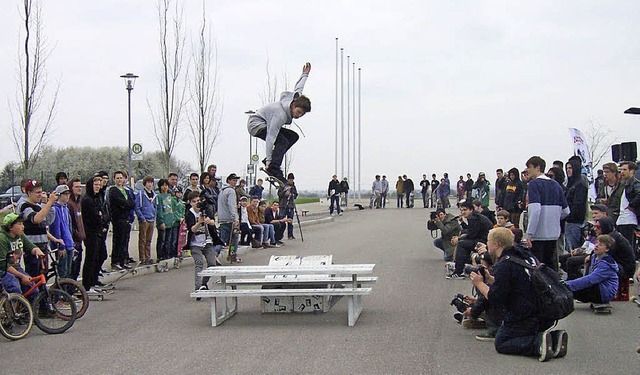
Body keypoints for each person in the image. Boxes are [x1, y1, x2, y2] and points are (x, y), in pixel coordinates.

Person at [469, 227, 566, 362]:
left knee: (502, 342)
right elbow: (514, 281)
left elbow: (495, 298)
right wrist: (490, 279)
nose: (487, 245)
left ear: (496, 244)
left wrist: (479, 283)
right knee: (514, 331)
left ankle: (537, 344)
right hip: (544, 308)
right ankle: (554, 338)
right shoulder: (525, 255)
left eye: (488, 241)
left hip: (525, 313)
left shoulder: (505, 264)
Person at [247, 62, 312, 182]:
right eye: (298, 112)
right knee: (281, 141)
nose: (298, 116)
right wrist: (269, 162)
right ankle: (273, 166)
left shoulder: (295, 99)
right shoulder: (280, 115)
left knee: (293, 136)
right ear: (293, 105)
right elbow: (270, 138)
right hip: (256, 125)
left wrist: (305, 75)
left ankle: (274, 160)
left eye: (301, 114)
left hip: (264, 123)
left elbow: (299, 88)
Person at [524, 156, 569, 271]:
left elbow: (535, 210)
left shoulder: (534, 184)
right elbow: (566, 211)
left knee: (538, 269)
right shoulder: (556, 185)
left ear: (537, 168)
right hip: (553, 234)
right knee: (551, 268)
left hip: (538, 235)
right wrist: (552, 219)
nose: (527, 170)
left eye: (529, 167)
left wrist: (529, 233)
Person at [16, 179, 58, 277]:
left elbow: (47, 222)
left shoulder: (39, 207)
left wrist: (50, 205)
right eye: (37, 192)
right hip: (32, 248)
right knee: (34, 275)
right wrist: (49, 203)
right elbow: (36, 219)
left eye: (41, 192)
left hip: (43, 247)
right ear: (29, 193)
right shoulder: (24, 206)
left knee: (44, 274)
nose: (40, 195)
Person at [185, 191, 224, 293]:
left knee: (212, 264)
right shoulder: (189, 213)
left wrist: (210, 222)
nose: (197, 203)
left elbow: (213, 223)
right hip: (195, 244)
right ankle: (198, 289)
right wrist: (199, 222)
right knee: (199, 263)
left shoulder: (206, 210)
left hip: (207, 242)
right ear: (190, 203)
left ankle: (203, 283)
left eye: (198, 201)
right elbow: (192, 229)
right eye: (194, 201)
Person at [565, 235, 619, 304]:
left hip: (604, 293)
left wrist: (567, 285)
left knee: (570, 289)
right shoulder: (594, 256)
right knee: (572, 287)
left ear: (607, 249)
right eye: (596, 243)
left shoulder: (606, 265)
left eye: (600, 245)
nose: (596, 245)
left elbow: (590, 279)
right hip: (597, 286)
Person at [0, 213, 45, 295]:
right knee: (15, 288)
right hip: (3, 270)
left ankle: (28, 306)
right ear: (10, 227)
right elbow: (3, 265)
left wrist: (36, 250)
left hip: (15, 267)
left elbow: (29, 246)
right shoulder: (2, 239)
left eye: (23, 224)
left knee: (33, 290)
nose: (23, 226)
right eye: (19, 224)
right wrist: (22, 276)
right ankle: (12, 306)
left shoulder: (20, 236)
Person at [449, 199, 493, 279]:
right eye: (461, 210)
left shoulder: (473, 218)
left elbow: (472, 235)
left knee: (462, 244)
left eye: (465, 210)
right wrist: (462, 223)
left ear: (471, 209)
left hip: (484, 242)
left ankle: (459, 271)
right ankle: (461, 265)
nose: (463, 212)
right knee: (463, 240)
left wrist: (458, 239)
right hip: (483, 239)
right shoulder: (475, 216)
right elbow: (471, 231)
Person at [82, 176, 105, 292]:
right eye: (95, 185)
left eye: (98, 185)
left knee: (101, 255)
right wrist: (99, 216)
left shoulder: (97, 198)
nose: (97, 187)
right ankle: (86, 285)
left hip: (98, 232)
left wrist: (101, 216)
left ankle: (94, 280)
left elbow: (102, 213)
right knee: (90, 258)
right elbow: (95, 216)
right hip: (90, 233)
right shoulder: (87, 200)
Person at [107, 171, 135, 270]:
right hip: (118, 218)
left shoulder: (126, 191)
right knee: (118, 240)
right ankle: (115, 261)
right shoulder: (113, 190)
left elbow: (131, 203)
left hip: (126, 218)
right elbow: (119, 202)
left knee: (125, 240)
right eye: (117, 178)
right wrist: (125, 204)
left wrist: (126, 204)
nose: (119, 180)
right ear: (114, 179)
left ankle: (123, 261)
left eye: (121, 178)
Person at [49, 185, 76, 279]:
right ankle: (60, 293)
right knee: (63, 272)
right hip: (62, 245)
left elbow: (69, 227)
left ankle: (66, 292)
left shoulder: (66, 208)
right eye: (65, 194)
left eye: (68, 193)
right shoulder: (55, 209)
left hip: (69, 244)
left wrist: (72, 244)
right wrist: (60, 246)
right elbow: (56, 229)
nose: (67, 196)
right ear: (59, 195)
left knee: (68, 271)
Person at [564, 157, 588, 252]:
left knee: (574, 248)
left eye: (570, 168)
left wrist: (569, 215)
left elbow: (578, 204)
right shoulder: (570, 184)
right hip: (569, 221)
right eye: (567, 168)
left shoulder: (579, 184)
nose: (568, 170)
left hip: (574, 221)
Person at [616, 161, 639, 251]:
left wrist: (631, 205)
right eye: (621, 170)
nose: (622, 172)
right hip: (622, 219)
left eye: (625, 169)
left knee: (627, 246)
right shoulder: (624, 184)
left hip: (629, 219)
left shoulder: (634, 183)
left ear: (632, 171)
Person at [134, 176, 157, 265]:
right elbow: (137, 207)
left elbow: (155, 206)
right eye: (148, 182)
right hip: (144, 220)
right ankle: (142, 257)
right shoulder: (141, 194)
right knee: (142, 239)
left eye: (151, 183)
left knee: (149, 240)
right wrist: (142, 218)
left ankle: (148, 257)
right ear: (144, 184)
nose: (150, 184)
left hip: (151, 219)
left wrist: (154, 215)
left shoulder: (154, 194)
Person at [219, 173, 241, 262]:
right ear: (228, 180)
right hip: (230, 219)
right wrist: (235, 218)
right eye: (233, 180)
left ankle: (216, 254)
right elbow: (232, 206)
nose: (235, 182)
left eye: (236, 180)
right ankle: (233, 254)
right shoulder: (231, 191)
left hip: (222, 218)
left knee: (222, 239)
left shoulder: (222, 191)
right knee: (234, 239)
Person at [67, 178, 85, 281]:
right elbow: (70, 225)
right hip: (73, 241)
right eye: (76, 187)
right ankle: (69, 293)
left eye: (80, 186)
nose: (79, 189)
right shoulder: (70, 204)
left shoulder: (78, 203)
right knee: (72, 269)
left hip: (79, 240)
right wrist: (77, 234)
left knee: (77, 269)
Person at [155, 179, 176, 262]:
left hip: (170, 221)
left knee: (168, 240)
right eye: (163, 185)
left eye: (166, 185)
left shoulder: (170, 196)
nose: (165, 187)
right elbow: (159, 210)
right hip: (163, 222)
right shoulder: (158, 197)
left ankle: (166, 255)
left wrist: (173, 218)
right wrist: (161, 221)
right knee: (161, 240)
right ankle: (160, 256)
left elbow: (172, 208)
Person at [279, 173, 298, 240]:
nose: (291, 181)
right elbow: (279, 194)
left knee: (290, 221)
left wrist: (293, 195)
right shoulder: (283, 185)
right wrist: (285, 191)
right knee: (282, 221)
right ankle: (279, 236)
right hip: (283, 205)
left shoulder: (293, 186)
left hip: (291, 205)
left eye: (292, 180)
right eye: (290, 179)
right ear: (287, 179)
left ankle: (290, 235)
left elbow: (296, 195)